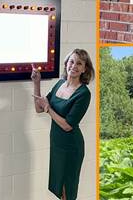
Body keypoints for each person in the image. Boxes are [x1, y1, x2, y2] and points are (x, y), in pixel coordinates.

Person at [31, 49, 95, 200]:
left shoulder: (84, 94)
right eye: (72, 62)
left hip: (71, 147)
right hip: (57, 144)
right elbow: (39, 108)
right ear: (66, 64)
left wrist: (48, 109)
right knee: (59, 189)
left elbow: (67, 125)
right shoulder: (60, 84)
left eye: (79, 63)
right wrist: (37, 83)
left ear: (85, 69)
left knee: (68, 190)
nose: (74, 66)